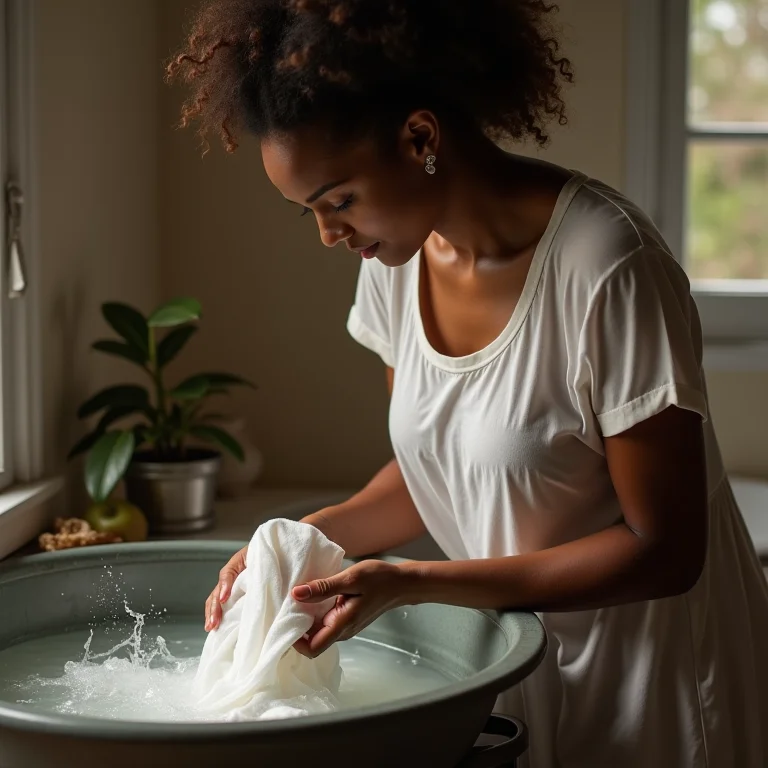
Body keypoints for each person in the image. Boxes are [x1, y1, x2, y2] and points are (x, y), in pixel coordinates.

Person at [166, 1, 768, 765]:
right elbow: (436, 473)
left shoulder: (608, 269)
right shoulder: (395, 261)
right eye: (309, 211)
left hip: (651, 682)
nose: (329, 234)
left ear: (420, 137)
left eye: (339, 200)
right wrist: (300, 541)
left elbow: (667, 550)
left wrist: (416, 581)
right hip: (513, 658)